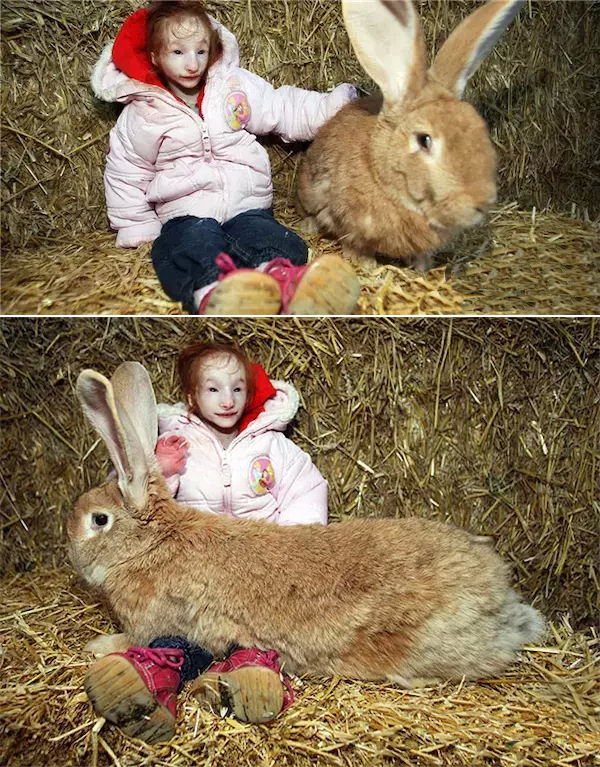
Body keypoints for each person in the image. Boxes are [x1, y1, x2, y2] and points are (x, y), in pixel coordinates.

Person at [84, 342, 329, 743]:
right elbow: (129, 496)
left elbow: (306, 488)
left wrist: (296, 545)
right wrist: (162, 470)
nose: (227, 399)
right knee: (179, 629)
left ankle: (251, 672)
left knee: (254, 631)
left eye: (237, 389)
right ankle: (158, 677)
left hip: (259, 566)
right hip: (195, 574)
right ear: (192, 398)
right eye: (213, 390)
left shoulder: (273, 446)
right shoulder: (177, 443)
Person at [90, 0, 361, 315]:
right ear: (155, 56)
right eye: (178, 53)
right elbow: (127, 170)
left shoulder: (233, 87)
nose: (192, 63)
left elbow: (281, 107)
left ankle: (283, 279)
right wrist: (136, 225)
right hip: (185, 211)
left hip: (245, 205)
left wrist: (332, 107)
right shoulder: (143, 112)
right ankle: (214, 291)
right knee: (190, 244)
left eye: (200, 51)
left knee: (268, 236)